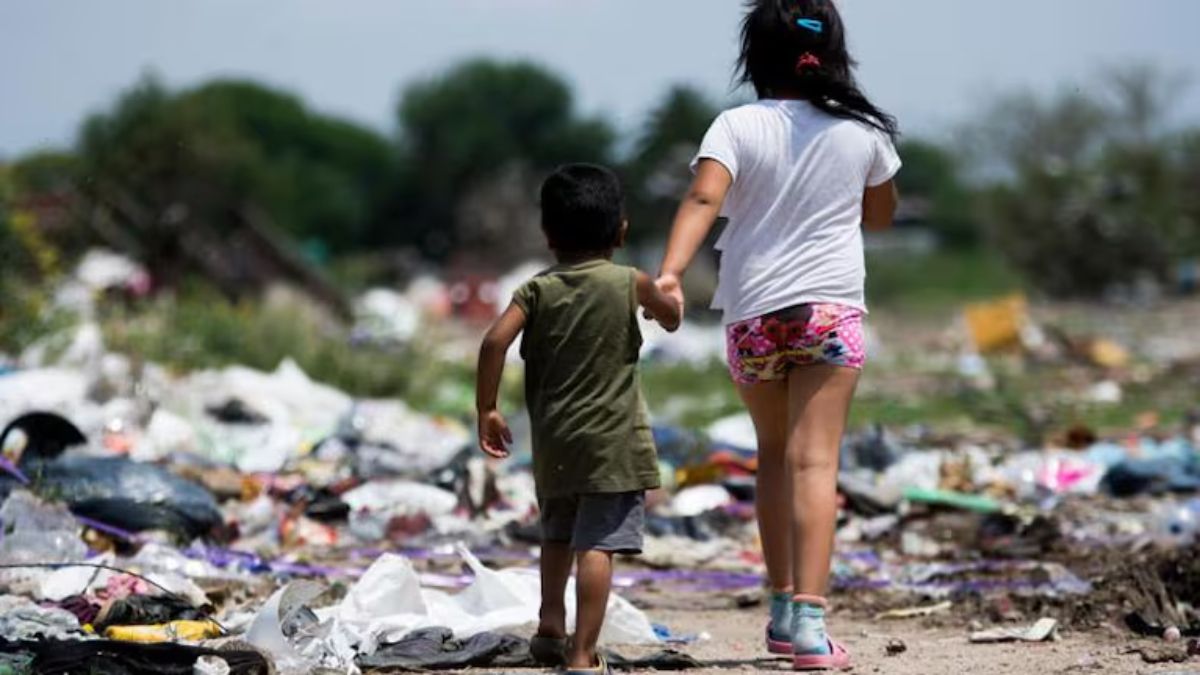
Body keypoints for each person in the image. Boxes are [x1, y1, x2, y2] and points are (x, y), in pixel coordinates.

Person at [652, 0, 901, 670]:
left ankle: (783, 607)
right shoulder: (863, 131)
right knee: (815, 462)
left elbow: (703, 199)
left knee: (772, 456)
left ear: (754, 58)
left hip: (753, 314)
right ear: (832, 54)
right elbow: (879, 217)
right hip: (828, 311)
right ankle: (812, 631)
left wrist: (672, 273)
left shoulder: (735, 125)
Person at [476, 164, 682, 674]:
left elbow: (494, 342)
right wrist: (664, 304)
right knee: (599, 545)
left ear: (548, 235)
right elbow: (672, 315)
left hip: (556, 441)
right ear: (621, 231)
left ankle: (550, 627)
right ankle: (583, 655)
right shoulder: (629, 282)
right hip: (615, 444)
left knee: (557, 535)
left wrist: (487, 408)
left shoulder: (536, 290)